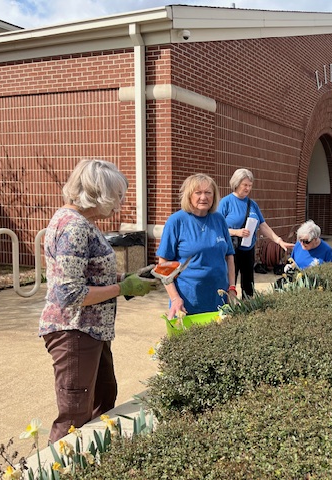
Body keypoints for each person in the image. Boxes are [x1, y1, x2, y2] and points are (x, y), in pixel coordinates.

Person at [39, 159, 157, 443]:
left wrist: (129, 278)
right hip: (75, 332)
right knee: (73, 417)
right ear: (98, 193)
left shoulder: (81, 222)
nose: (120, 203)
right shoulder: (74, 227)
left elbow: (90, 272)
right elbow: (69, 294)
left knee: (102, 401)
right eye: (117, 195)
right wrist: (122, 287)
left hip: (91, 331)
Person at [156, 173, 237, 319]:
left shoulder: (219, 220)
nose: (203, 197)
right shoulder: (176, 221)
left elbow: (229, 256)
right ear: (189, 195)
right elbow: (163, 266)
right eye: (198, 192)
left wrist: (232, 289)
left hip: (218, 298)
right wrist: (175, 298)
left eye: (208, 193)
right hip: (187, 301)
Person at [218, 168, 294, 297]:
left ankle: (248, 308)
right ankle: (228, 308)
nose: (247, 188)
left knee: (248, 283)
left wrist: (278, 241)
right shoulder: (226, 202)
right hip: (231, 250)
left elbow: (263, 225)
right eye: (245, 185)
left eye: (250, 185)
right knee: (230, 281)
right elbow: (217, 228)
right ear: (236, 184)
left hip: (248, 249)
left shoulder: (252, 204)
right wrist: (236, 232)